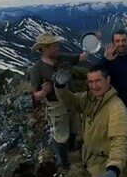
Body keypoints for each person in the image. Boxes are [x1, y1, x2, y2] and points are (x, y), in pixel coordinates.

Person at [53, 64, 127, 177]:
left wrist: (114, 168)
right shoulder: (90, 98)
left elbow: (121, 140)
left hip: (104, 163)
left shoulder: (116, 108)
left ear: (108, 80)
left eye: (98, 81)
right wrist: (60, 86)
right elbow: (70, 100)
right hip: (91, 157)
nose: (94, 85)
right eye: (90, 82)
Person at [30, 32, 91, 168]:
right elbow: (36, 95)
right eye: (53, 46)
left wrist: (92, 42)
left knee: (74, 126)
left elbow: (82, 57)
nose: (57, 48)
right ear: (44, 49)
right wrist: (44, 92)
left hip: (71, 100)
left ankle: (72, 148)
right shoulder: (37, 70)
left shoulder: (62, 58)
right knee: (61, 134)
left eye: (57, 45)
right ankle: (63, 162)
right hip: (56, 105)